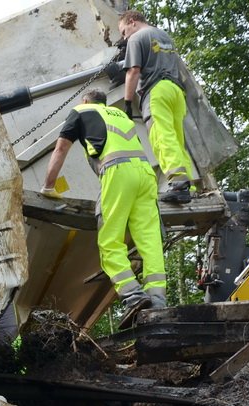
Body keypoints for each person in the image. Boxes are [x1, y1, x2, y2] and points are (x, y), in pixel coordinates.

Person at [40, 90, 166, 310]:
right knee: (149, 240)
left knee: (110, 241)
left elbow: (61, 148)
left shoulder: (80, 110)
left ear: (86, 100)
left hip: (118, 171)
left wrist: (48, 186)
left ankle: (132, 294)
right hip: (145, 174)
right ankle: (157, 299)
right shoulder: (119, 115)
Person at [118, 10, 196, 204]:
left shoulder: (136, 38)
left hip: (156, 91)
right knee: (177, 139)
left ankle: (178, 184)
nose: (124, 36)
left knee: (162, 136)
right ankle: (189, 186)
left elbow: (133, 71)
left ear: (132, 22)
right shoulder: (164, 36)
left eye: (123, 31)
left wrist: (128, 103)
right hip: (176, 91)